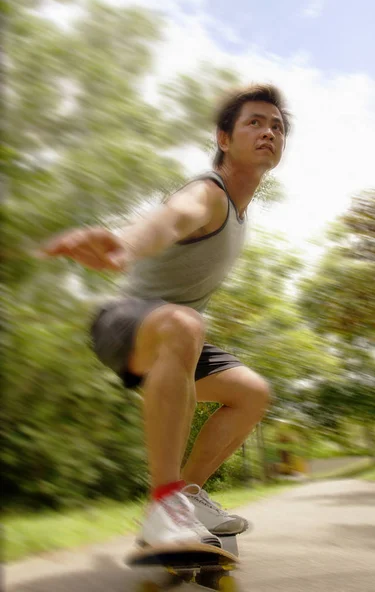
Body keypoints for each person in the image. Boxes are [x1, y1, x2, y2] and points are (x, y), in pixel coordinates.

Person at [40, 84, 291, 548]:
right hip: (124, 322)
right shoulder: (208, 194)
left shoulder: (240, 213)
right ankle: (164, 504)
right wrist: (126, 243)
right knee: (183, 323)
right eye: (254, 122)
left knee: (252, 394)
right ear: (223, 138)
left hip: (176, 337)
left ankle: (188, 497)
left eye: (277, 126)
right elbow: (173, 217)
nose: (268, 132)